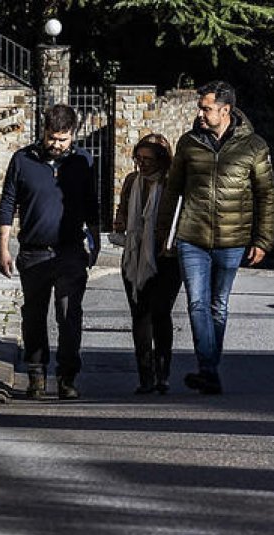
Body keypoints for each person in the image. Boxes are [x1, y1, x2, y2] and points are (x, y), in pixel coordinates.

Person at [159, 81, 274, 395]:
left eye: (206, 108)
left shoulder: (254, 146)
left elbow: (267, 194)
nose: (200, 113)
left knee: (218, 305)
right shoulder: (188, 143)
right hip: (191, 235)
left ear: (226, 111)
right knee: (197, 303)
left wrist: (262, 240)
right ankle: (208, 369)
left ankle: (207, 369)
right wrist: (164, 233)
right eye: (201, 107)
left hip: (233, 238)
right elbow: (173, 190)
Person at [0, 103, 99, 400]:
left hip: (69, 251)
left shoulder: (83, 161)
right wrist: (4, 247)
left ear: (73, 136)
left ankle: (67, 377)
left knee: (68, 315)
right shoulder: (22, 160)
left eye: (62, 139)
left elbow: (91, 203)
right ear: (43, 131)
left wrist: (95, 240)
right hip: (33, 251)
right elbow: (7, 204)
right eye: (51, 137)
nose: (56, 144)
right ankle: (36, 374)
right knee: (34, 315)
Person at [112, 133, 181, 394]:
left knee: (161, 312)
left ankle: (163, 371)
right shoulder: (132, 181)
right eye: (139, 159)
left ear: (162, 159)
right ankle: (145, 376)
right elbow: (122, 210)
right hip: (135, 255)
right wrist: (121, 222)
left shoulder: (173, 183)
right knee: (140, 315)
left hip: (166, 258)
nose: (143, 164)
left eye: (149, 159)